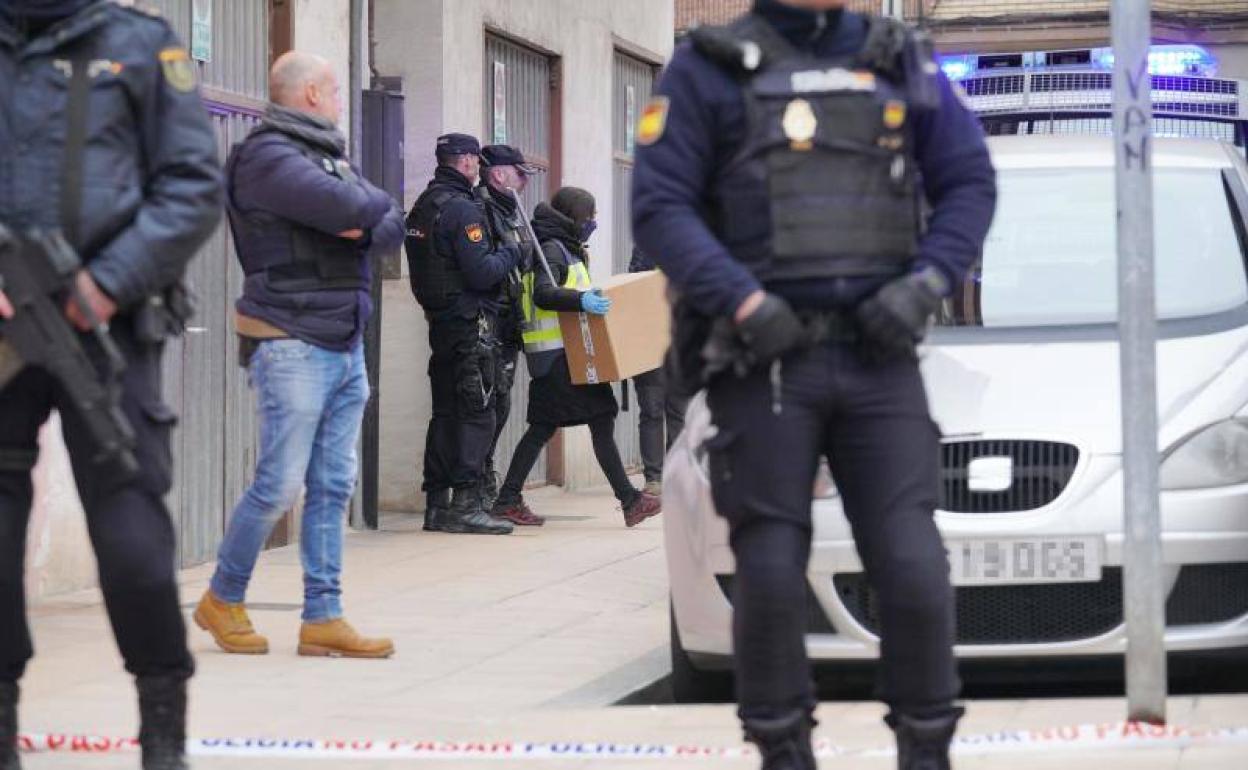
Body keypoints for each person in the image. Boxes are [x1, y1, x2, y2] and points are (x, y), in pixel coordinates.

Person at [631, 1, 996, 768]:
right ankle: (783, 750)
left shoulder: (898, 56)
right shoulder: (710, 67)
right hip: (762, 357)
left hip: (878, 352)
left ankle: (927, 749)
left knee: (913, 563)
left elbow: (968, 181)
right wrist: (742, 300)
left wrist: (927, 283)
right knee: (768, 567)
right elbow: (661, 207)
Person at [0, 1, 222, 767]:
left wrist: (107, 283)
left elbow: (193, 184)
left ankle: (162, 727)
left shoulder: (140, 44)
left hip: (107, 329)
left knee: (131, 534)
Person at [193, 51, 404, 661]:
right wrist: (356, 216)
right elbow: (361, 209)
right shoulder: (266, 157)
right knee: (280, 482)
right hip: (290, 338)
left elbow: (390, 220)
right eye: (335, 91)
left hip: (343, 338)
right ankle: (223, 597)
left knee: (333, 484)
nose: (340, 100)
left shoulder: (327, 155)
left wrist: (358, 219)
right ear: (311, 93)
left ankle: (323, 616)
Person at [491, 188, 663, 528]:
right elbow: (544, 294)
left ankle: (629, 501)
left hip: (569, 355)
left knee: (588, 421)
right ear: (575, 216)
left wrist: (585, 297)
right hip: (557, 357)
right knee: (554, 426)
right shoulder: (552, 249)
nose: (593, 222)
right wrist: (581, 301)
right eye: (590, 216)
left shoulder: (565, 249)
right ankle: (508, 499)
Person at [405, 134, 517, 535]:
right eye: (476, 161)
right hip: (470, 324)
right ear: (467, 162)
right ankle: (466, 503)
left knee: (446, 412)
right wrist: (512, 251)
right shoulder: (463, 209)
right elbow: (483, 271)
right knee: (477, 412)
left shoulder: (423, 206)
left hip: (440, 323)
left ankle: (437, 504)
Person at [476, 144, 544, 513]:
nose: (525, 183)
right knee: (486, 405)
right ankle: (478, 482)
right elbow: (487, 265)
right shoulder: (482, 209)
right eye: (521, 175)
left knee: (501, 404)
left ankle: (485, 474)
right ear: (499, 174)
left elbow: (527, 259)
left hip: (510, 322)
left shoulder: (511, 212)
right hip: (490, 321)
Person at [628, 247, 689, 497]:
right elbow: (633, 288)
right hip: (648, 343)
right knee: (652, 411)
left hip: (680, 344)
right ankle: (654, 478)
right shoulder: (646, 250)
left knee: (678, 413)